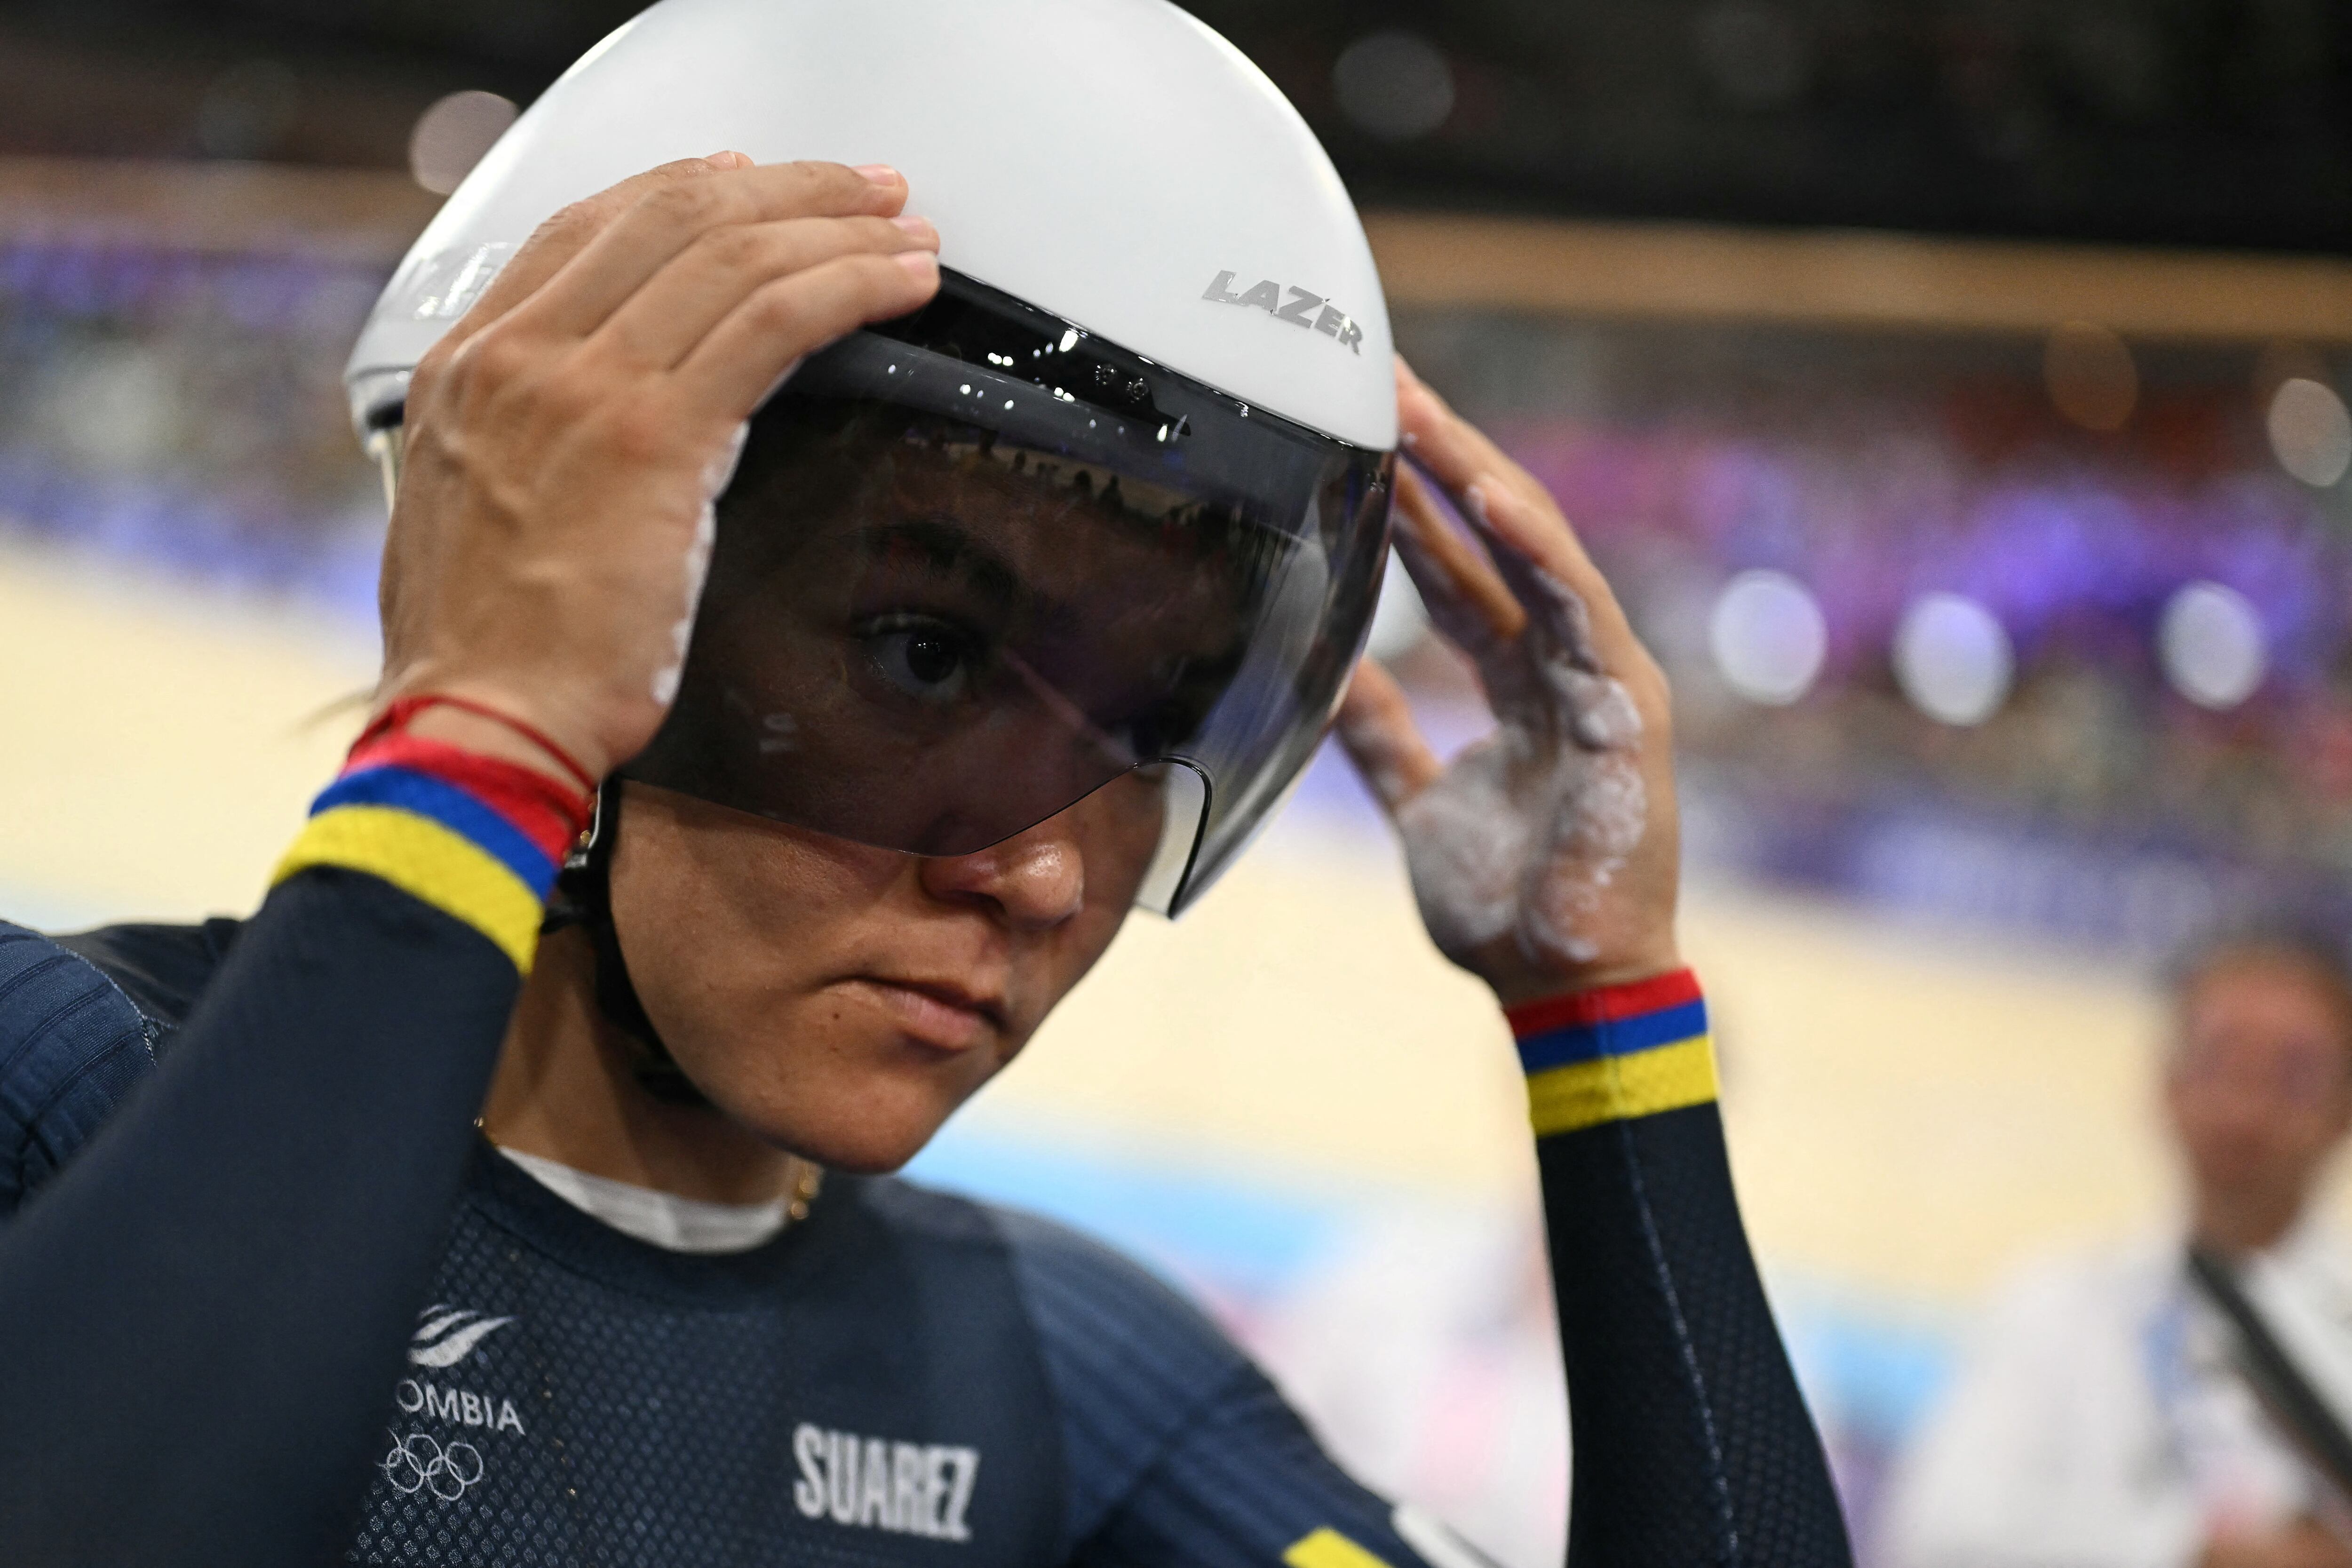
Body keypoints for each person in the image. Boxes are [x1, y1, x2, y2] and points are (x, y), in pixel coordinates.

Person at [0, 5, 1848, 1564]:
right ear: (561, 551)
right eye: (922, 655)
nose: (1044, 879)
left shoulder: (1066, 1375)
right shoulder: (45, 1075)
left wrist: (1604, 1010)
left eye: (1149, 725)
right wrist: (481, 723)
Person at [1880, 928, 2352, 1568]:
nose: (2247, 1108)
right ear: (2168, 1081)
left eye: (2292, 1076)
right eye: (2225, 1061)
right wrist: (2195, 1553)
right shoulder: (2055, 1302)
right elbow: (1937, 1536)